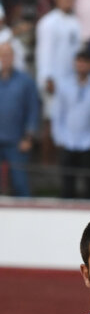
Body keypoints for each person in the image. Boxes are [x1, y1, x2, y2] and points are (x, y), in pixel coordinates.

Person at [51, 50, 90, 200]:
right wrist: (60, 138)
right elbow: (58, 114)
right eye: (79, 62)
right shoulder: (64, 85)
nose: (81, 66)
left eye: (85, 63)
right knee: (67, 183)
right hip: (68, 140)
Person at [0, 41, 38, 197]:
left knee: (19, 182)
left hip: (17, 141)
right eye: (2, 55)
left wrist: (28, 137)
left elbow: (33, 109)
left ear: (13, 57)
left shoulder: (25, 81)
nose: (5, 58)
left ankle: (27, 216)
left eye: (7, 55)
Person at [35, 0, 81, 97]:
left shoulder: (76, 22)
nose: (67, 0)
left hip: (72, 79)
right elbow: (44, 52)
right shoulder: (48, 22)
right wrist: (47, 78)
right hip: (54, 80)